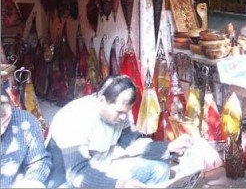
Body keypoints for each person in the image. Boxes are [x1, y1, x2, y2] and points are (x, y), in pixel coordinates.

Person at [46, 75, 193, 188]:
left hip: (102, 168)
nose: (123, 117)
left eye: (126, 112)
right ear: (102, 101)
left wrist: (169, 147)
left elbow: (131, 143)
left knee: (159, 169)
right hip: (69, 182)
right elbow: (78, 174)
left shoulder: (118, 114)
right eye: (119, 112)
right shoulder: (74, 118)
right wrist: (117, 184)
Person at [0, 87, 51, 188]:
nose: (1, 130)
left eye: (6, 122)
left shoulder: (24, 121)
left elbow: (38, 161)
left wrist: (32, 182)